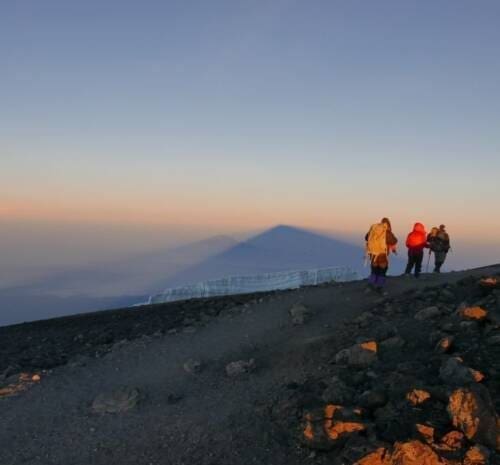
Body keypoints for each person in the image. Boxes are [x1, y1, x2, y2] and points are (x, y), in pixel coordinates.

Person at [365, 217, 398, 291]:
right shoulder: (387, 232)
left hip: (373, 254)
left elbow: (366, 237)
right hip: (382, 255)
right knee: (382, 270)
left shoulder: (374, 229)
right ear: (388, 224)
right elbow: (394, 241)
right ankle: (379, 287)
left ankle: (371, 285)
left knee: (374, 270)